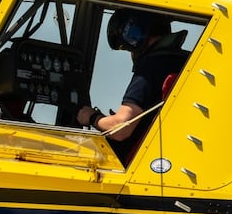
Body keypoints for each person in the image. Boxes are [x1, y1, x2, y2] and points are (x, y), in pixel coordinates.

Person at [76, 9, 190, 162]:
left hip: (127, 164)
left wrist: (91, 117)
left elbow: (121, 128)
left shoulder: (151, 66)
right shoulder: (184, 62)